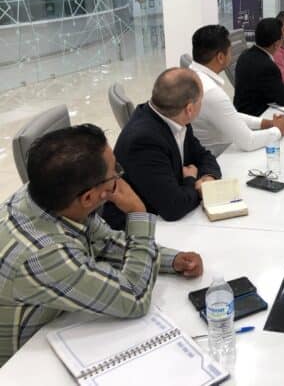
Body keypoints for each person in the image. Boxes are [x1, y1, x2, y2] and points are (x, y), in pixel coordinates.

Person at [0, 124, 203, 365]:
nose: (119, 176)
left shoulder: (43, 194)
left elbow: (104, 243)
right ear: (88, 198)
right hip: (24, 365)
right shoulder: (44, 253)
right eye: (114, 174)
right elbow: (134, 297)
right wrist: (138, 213)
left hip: (58, 327)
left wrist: (172, 260)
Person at [103, 68, 221, 230]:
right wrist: (191, 181)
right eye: (201, 100)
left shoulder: (175, 117)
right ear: (189, 109)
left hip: (168, 213)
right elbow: (173, 208)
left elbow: (203, 156)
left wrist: (208, 177)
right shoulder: (144, 141)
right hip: (138, 228)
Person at [189, 24, 284, 156]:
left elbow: (229, 115)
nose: (232, 55)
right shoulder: (211, 92)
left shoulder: (191, 74)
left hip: (214, 150)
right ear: (220, 57)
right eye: (230, 51)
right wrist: (278, 130)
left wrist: (266, 123)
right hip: (220, 157)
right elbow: (248, 142)